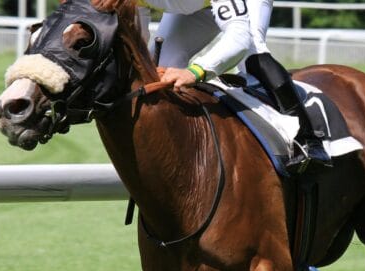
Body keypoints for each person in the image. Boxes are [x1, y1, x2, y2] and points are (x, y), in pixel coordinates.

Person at [139, 0, 331, 172]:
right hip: (196, 6)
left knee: (251, 54)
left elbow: (239, 37)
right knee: (158, 65)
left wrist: (195, 72)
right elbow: (135, 41)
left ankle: (309, 139)